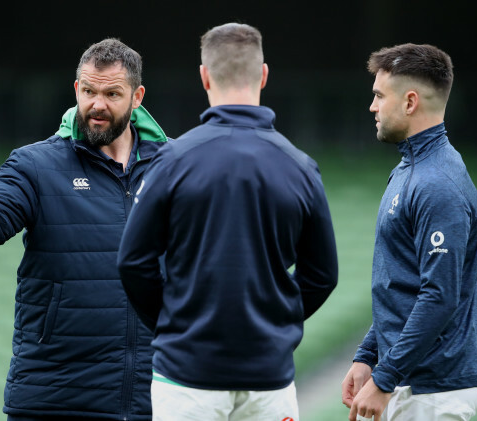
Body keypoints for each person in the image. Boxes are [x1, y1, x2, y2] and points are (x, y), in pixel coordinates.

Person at [0, 38, 170, 421]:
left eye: (112, 93)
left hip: (155, 396)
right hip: (54, 396)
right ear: (76, 88)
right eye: (88, 91)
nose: (97, 105)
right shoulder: (36, 164)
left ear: (137, 97)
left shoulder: (176, 167)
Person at [117, 22, 339, 421]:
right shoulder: (302, 167)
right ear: (264, 75)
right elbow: (322, 275)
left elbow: (133, 262)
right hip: (269, 379)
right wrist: (273, 319)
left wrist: (174, 319)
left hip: (185, 378)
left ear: (204, 76)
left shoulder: (171, 161)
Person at [341, 43, 477, 421]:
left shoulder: (438, 183)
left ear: (410, 102)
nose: (372, 107)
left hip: (434, 391)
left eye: (379, 96)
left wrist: (385, 377)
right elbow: (402, 286)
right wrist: (368, 356)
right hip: (414, 384)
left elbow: (438, 297)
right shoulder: (411, 169)